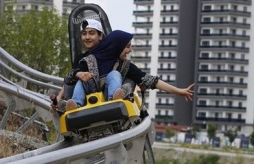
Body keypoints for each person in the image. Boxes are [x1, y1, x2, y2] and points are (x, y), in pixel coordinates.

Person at [66, 30, 194, 111]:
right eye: (127, 47)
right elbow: (69, 77)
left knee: (115, 74)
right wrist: (80, 74)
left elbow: (150, 80)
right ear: (117, 47)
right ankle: (74, 105)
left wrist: (179, 91)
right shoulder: (89, 60)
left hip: (107, 98)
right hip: (89, 96)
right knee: (79, 81)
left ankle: (115, 99)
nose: (130, 50)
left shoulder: (124, 65)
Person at [52, 19, 105, 112]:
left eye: (91, 33)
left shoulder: (106, 54)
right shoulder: (81, 58)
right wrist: (59, 97)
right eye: (84, 34)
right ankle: (74, 104)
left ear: (100, 36)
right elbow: (73, 76)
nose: (87, 37)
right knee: (80, 80)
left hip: (104, 93)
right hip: (86, 96)